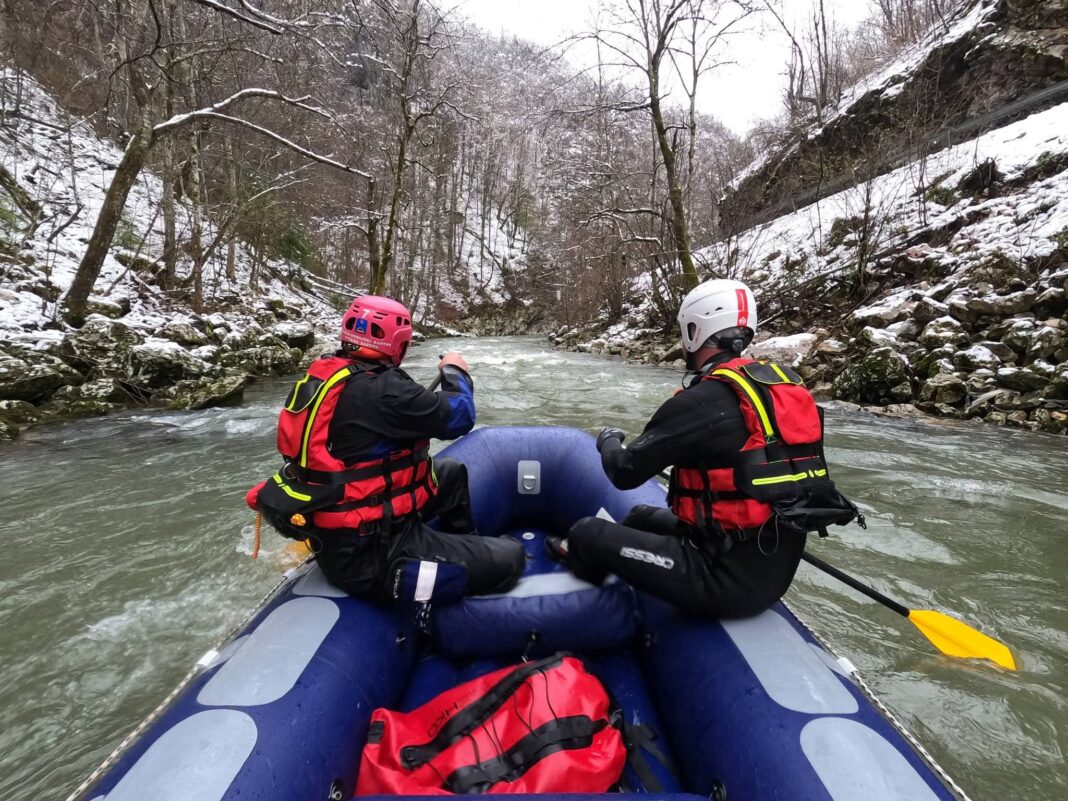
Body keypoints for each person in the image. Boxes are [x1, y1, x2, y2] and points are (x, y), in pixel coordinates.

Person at [550, 278, 861, 619]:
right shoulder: (777, 388)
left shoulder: (702, 401)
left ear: (696, 331)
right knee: (640, 516)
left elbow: (624, 472)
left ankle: (588, 589)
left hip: (721, 579)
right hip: (767, 568)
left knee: (585, 533)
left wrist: (608, 440)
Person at [247, 294, 525, 601]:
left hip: (351, 527)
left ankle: (460, 544)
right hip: (371, 555)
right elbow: (459, 416)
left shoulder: (327, 372)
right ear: (398, 343)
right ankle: (454, 568)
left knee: (450, 472)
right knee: (511, 557)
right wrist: (455, 371)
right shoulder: (385, 391)